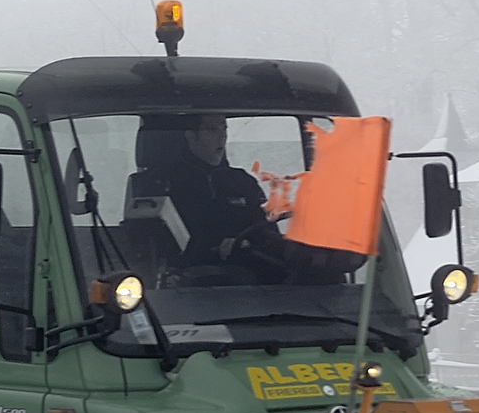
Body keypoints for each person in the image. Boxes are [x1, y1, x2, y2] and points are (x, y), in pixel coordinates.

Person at [132, 114, 361, 285]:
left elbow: (263, 227)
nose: (221, 136)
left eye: (224, 128)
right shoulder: (159, 183)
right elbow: (149, 245)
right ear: (191, 137)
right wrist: (214, 249)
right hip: (193, 276)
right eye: (212, 130)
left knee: (324, 276)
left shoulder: (241, 181)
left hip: (249, 262)